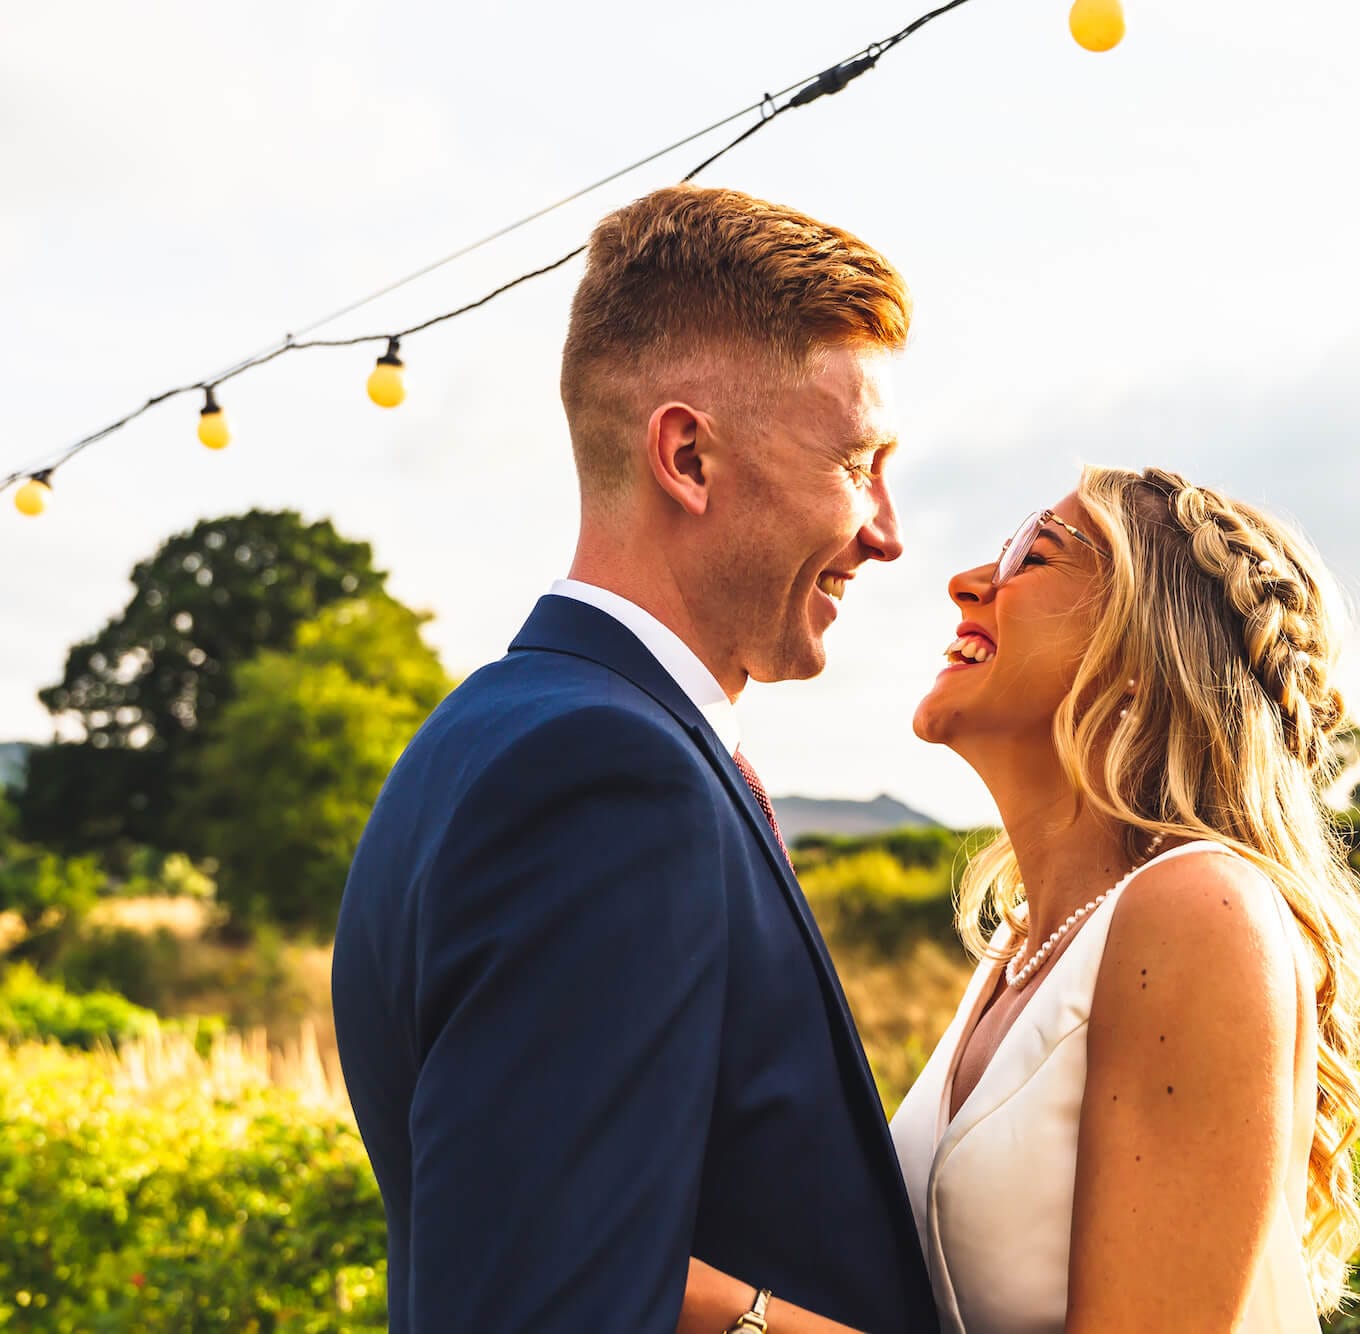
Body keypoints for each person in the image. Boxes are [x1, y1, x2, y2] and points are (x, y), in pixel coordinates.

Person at [331, 183, 939, 1334]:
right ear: (687, 455)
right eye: (858, 462)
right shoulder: (604, 775)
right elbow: (548, 1306)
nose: (887, 529)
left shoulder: (494, 730)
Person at [891, 466, 1360, 1331]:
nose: (969, 582)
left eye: (1030, 554)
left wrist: (740, 1316)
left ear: (1136, 653)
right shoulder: (1021, 952)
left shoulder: (1200, 911)